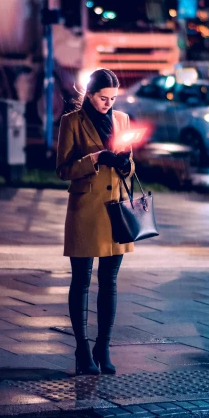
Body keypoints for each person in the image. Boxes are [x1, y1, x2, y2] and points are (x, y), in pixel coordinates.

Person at [56, 69, 134, 375]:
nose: (108, 104)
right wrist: (95, 159)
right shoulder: (71, 122)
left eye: (113, 99)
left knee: (110, 283)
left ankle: (104, 346)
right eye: (103, 98)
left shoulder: (122, 120)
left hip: (115, 211)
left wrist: (126, 164)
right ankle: (82, 350)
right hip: (85, 211)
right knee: (81, 281)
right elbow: (62, 170)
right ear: (89, 94)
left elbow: (130, 165)